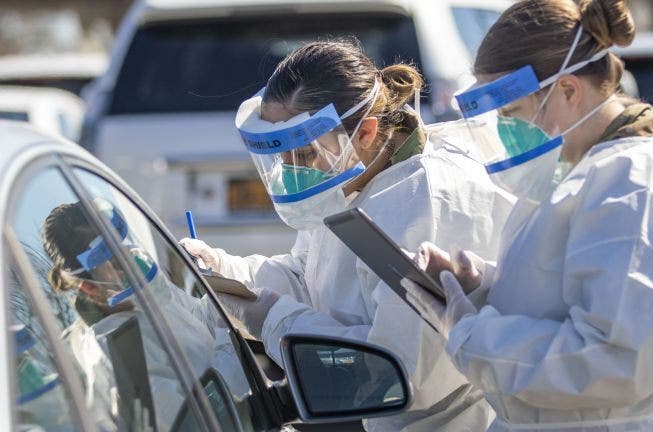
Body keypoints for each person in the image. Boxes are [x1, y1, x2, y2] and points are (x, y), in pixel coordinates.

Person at [402, 0, 653, 431]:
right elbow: (570, 294)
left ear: (567, 90)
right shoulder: (588, 173)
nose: (502, 130)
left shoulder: (635, 186)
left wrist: (471, 334)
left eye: (510, 112)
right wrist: (483, 288)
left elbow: (610, 359)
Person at [181, 40, 516, 431]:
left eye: (303, 154)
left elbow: (402, 373)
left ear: (366, 133)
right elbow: (312, 278)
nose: (292, 170)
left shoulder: (425, 199)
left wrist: (272, 318)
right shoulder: (354, 177)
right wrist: (227, 273)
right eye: (281, 157)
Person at [43, 198, 217, 431]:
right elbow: (190, 420)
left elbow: (196, 319)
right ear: (89, 287)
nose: (125, 259)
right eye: (108, 257)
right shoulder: (117, 353)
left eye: (119, 244)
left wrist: (221, 293)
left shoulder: (146, 294)